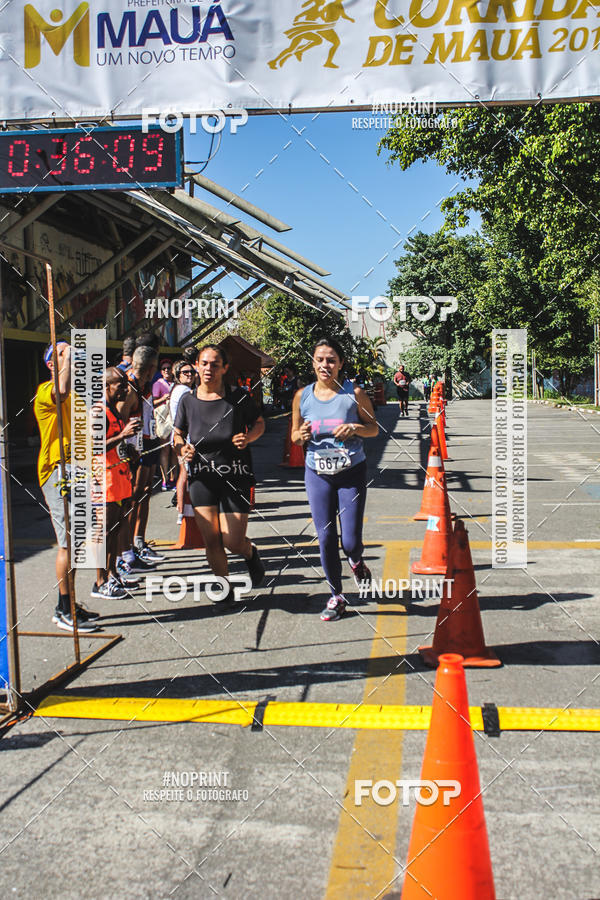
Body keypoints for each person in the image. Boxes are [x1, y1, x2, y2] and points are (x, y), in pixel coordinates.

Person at [292, 337, 378, 622]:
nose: (324, 365)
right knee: (326, 536)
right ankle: (337, 595)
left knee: (350, 541)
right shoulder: (302, 396)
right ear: (313, 362)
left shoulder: (354, 394)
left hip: (351, 472)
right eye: (319, 359)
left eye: (331, 360)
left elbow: (373, 429)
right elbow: (293, 436)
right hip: (317, 473)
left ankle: (356, 561)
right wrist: (300, 436)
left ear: (340, 363)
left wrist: (355, 427)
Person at [173, 344, 266, 605]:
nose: (208, 369)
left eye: (214, 364)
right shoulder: (188, 400)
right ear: (196, 366)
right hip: (202, 477)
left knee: (233, 541)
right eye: (203, 363)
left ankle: (249, 553)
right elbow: (177, 433)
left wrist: (248, 437)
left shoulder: (238, 397)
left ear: (224, 368)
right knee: (211, 539)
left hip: (236, 474)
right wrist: (183, 448)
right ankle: (224, 590)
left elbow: (260, 423)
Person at [33, 341, 99, 632]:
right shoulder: (46, 392)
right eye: (62, 353)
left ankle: (70, 601)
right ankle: (63, 607)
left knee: (81, 536)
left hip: (76, 470)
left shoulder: (75, 395)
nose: (71, 355)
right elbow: (59, 391)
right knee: (68, 541)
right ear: (52, 364)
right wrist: (69, 357)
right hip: (56, 471)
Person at [90, 368, 141, 600]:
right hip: (105, 481)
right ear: (106, 387)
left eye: (125, 384)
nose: (125, 389)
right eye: (120, 384)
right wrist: (123, 436)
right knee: (105, 532)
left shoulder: (113, 412)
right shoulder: (98, 412)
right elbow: (94, 447)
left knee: (116, 529)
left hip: (119, 479)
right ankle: (100, 581)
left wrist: (129, 450)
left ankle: (112, 574)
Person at [117, 345, 165, 572]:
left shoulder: (143, 385)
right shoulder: (127, 388)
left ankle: (137, 543)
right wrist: (127, 451)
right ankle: (124, 553)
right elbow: (118, 421)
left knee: (144, 493)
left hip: (149, 440)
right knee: (130, 500)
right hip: (133, 449)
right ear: (151, 366)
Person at [170, 360, 196, 524]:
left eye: (192, 372)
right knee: (185, 474)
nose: (189, 374)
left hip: (180, 437)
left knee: (183, 473)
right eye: (185, 372)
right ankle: (181, 511)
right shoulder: (184, 391)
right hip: (183, 438)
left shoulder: (180, 390)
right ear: (178, 375)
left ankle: (183, 509)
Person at [153, 358, 177, 489]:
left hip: (173, 419)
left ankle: (174, 478)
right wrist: (164, 398)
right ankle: (165, 479)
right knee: (165, 450)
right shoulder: (158, 384)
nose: (167, 370)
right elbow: (153, 402)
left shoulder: (175, 384)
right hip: (163, 419)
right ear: (161, 371)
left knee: (174, 449)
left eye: (169, 368)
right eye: (164, 368)